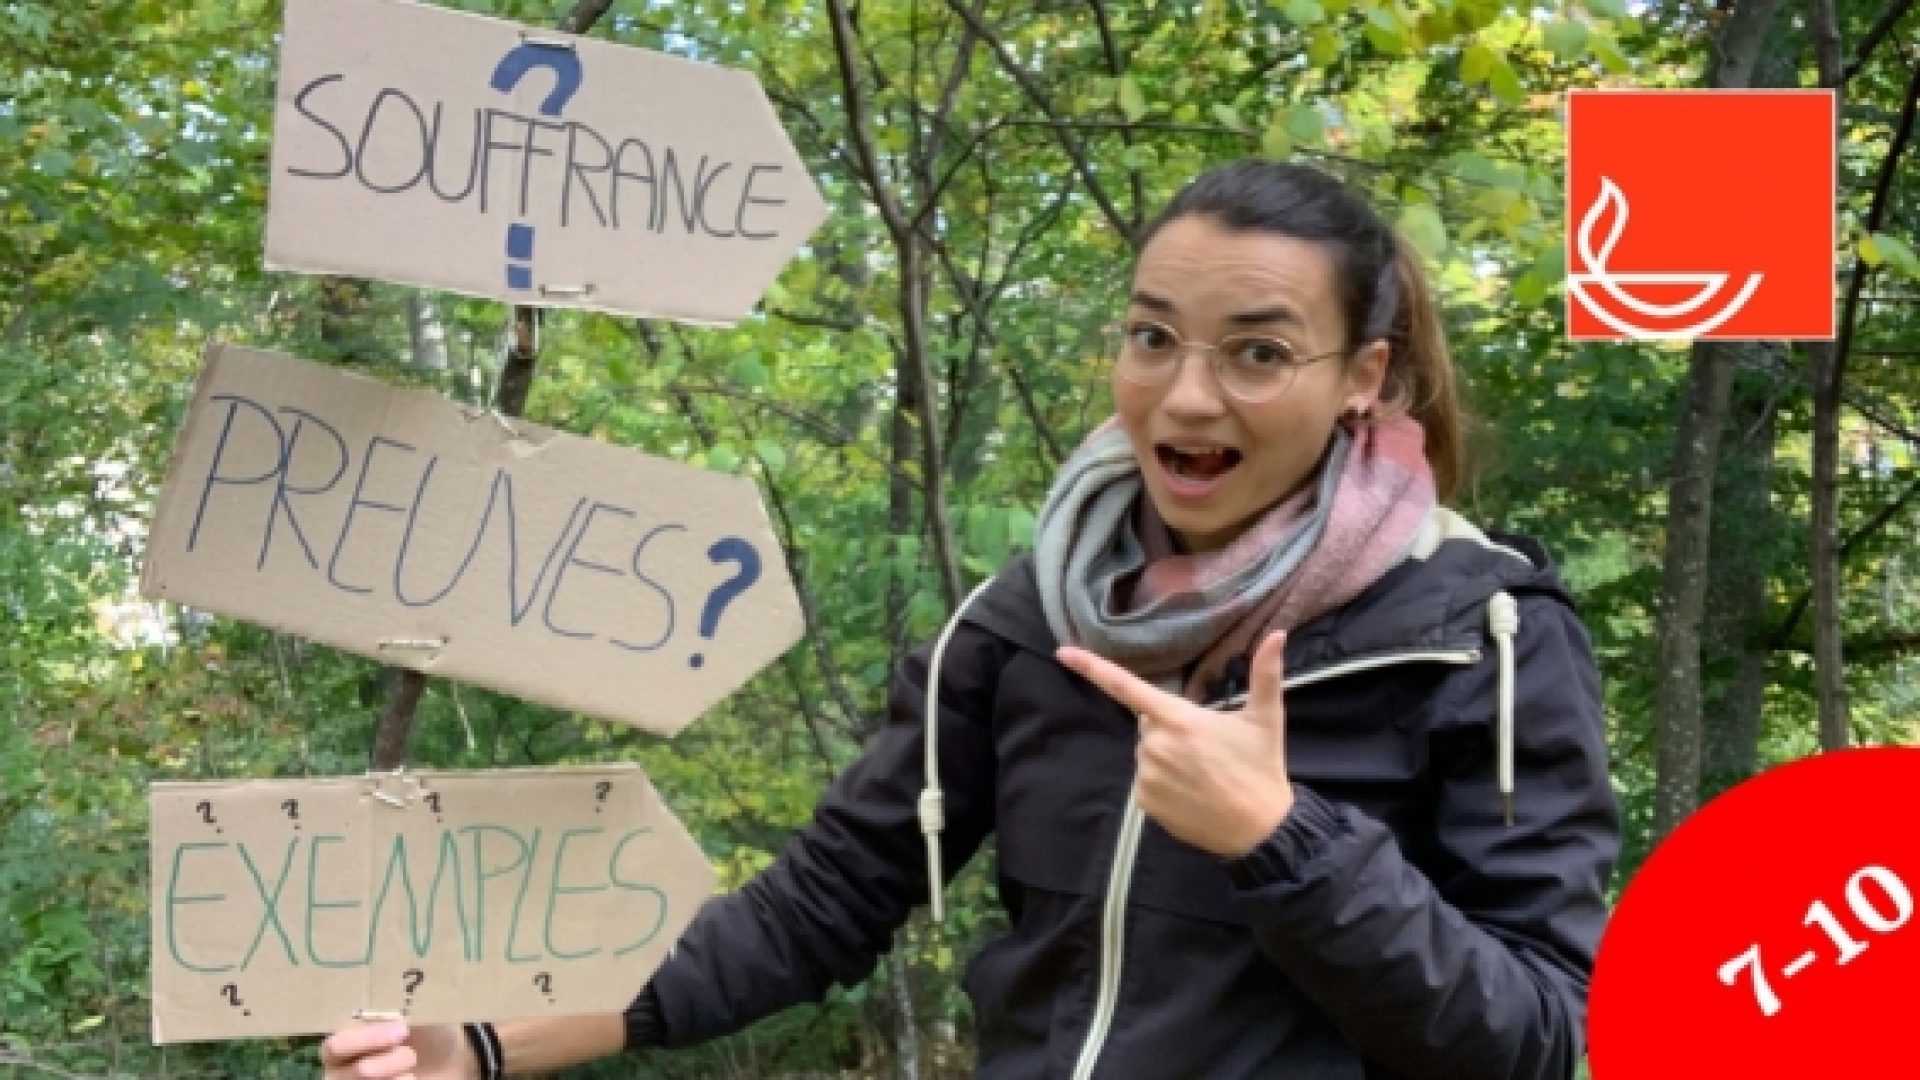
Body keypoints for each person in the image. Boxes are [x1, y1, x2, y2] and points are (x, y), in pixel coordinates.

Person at [321, 159, 1620, 1080]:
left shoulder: (1478, 635)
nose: (1186, 399)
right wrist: (485, 1042)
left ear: (1364, 379)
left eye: (1259, 353)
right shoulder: (1031, 621)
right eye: (1152, 337)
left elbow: (1536, 1035)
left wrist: (1286, 842)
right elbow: (819, 906)